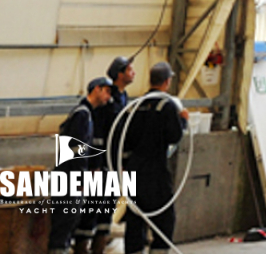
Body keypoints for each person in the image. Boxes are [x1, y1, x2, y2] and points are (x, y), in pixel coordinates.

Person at [122, 62, 188, 254]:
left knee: (135, 219)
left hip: (133, 170)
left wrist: (125, 166)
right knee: (164, 219)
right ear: (167, 82)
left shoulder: (135, 105)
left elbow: (124, 138)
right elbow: (174, 136)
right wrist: (183, 121)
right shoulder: (166, 105)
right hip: (155, 171)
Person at [50, 77, 114, 254]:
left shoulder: (86, 114)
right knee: (63, 226)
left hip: (70, 177)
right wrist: (80, 177)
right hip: (69, 179)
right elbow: (75, 149)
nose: (109, 97)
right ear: (96, 89)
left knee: (68, 224)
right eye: (107, 91)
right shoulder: (82, 114)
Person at [88, 55, 136, 254]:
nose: (134, 73)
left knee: (108, 208)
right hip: (103, 163)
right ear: (119, 74)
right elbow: (100, 134)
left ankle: (99, 246)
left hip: (115, 163)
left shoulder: (124, 98)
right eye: (129, 70)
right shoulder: (109, 101)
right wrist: (96, 164)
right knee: (94, 208)